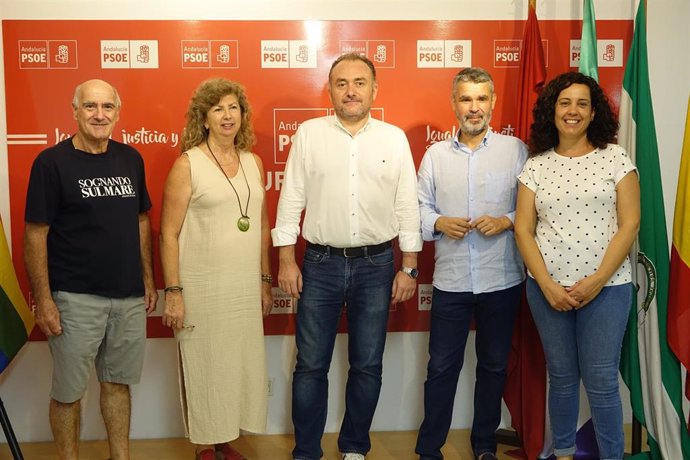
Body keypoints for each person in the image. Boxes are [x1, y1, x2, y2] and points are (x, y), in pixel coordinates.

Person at [272, 53, 422, 460]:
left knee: (368, 365)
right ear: (331, 90)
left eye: (359, 82)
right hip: (319, 264)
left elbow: (407, 205)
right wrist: (286, 260)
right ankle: (306, 451)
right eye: (341, 83)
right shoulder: (308, 134)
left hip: (378, 265)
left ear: (374, 89)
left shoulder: (393, 138)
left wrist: (409, 266)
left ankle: (354, 447)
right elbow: (291, 201)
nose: (351, 90)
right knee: (310, 366)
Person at [24, 79, 158, 460]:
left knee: (118, 385)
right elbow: (36, 233)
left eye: (107, 107)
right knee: (69, 393)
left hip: (128, 297)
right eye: (90, 107)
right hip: (74, 298)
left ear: (118, 111)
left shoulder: (130, 158)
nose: (99, 115)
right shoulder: (51, 162)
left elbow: (141, 220)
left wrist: (148, 279)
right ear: (75, 111)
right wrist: (45, 299)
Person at [514, 71, 640, 460]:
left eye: (582, 103)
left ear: (594, 111)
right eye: (565, 102)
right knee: (563, 378)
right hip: (547, 291)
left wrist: (598, 280)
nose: (573, 111)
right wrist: (548, 285)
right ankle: (564, 453)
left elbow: (630, 222)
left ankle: (611, 455)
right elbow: (523, 229)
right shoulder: (536, 165)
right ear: (552, 110)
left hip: (608, 288)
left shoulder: (615, 157)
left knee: (601, 381)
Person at [414, 68, 527, 460]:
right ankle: (430, 449)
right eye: (466, 99)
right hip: (452, 280)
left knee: (494, 367)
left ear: (493, 102)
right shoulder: (435, 155)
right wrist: (439, 222)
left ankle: (484, 446)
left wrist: (506, 221)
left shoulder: (515, 150)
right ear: (454, 104)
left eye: (481, 99)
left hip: (502, 278)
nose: (474, 107)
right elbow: (418, 210)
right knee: (441, 368)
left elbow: (530, 209)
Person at [160, 78, 272, 460]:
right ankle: (205, 445)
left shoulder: (253, 162)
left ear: (243, 115)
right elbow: (168, 235)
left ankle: (226, 438)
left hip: (243, 285)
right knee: (205, 362)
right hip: (201, 286)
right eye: (218, 109)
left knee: (235, 364)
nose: (227, 116)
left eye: (233, 108)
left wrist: (264, 279)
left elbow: (261, 227)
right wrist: (173, 292)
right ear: (204, 118)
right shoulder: (187, 164)